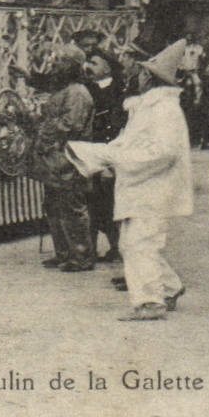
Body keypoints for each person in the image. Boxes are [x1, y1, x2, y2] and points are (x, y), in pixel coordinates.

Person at [66, 39, 195, 321]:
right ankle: (170, 287)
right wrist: (102, 155)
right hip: (142, 186)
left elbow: (162, 153)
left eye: (139, 71)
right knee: (134, 243)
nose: (134, 75)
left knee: (140, 244)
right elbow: (132, 144)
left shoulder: (163, 110)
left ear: (149, 77)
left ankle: (150, 302)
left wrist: (118, 160)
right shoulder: (147, 108)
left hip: (152, 188)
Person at [34, 43, 97, 271]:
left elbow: (71, 125)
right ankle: (63, 252)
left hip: (70, 158)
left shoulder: (78, 92)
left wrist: (46, 130)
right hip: (55, 159)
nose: (54, 65)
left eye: (59, 61)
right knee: (53, 205)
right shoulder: (63, 91)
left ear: (71, 66)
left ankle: (81, 256)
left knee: (72, 207)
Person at [83, 48, 128, 263]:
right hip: (90, 149)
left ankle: (116, 246)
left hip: (112, 150)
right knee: (89, 200)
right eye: (87, 62)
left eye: (94, 62)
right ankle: (89, 249)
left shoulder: (121, 91)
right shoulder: (86, 89)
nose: (88, 67)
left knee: (111, 201)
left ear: (107, 67)